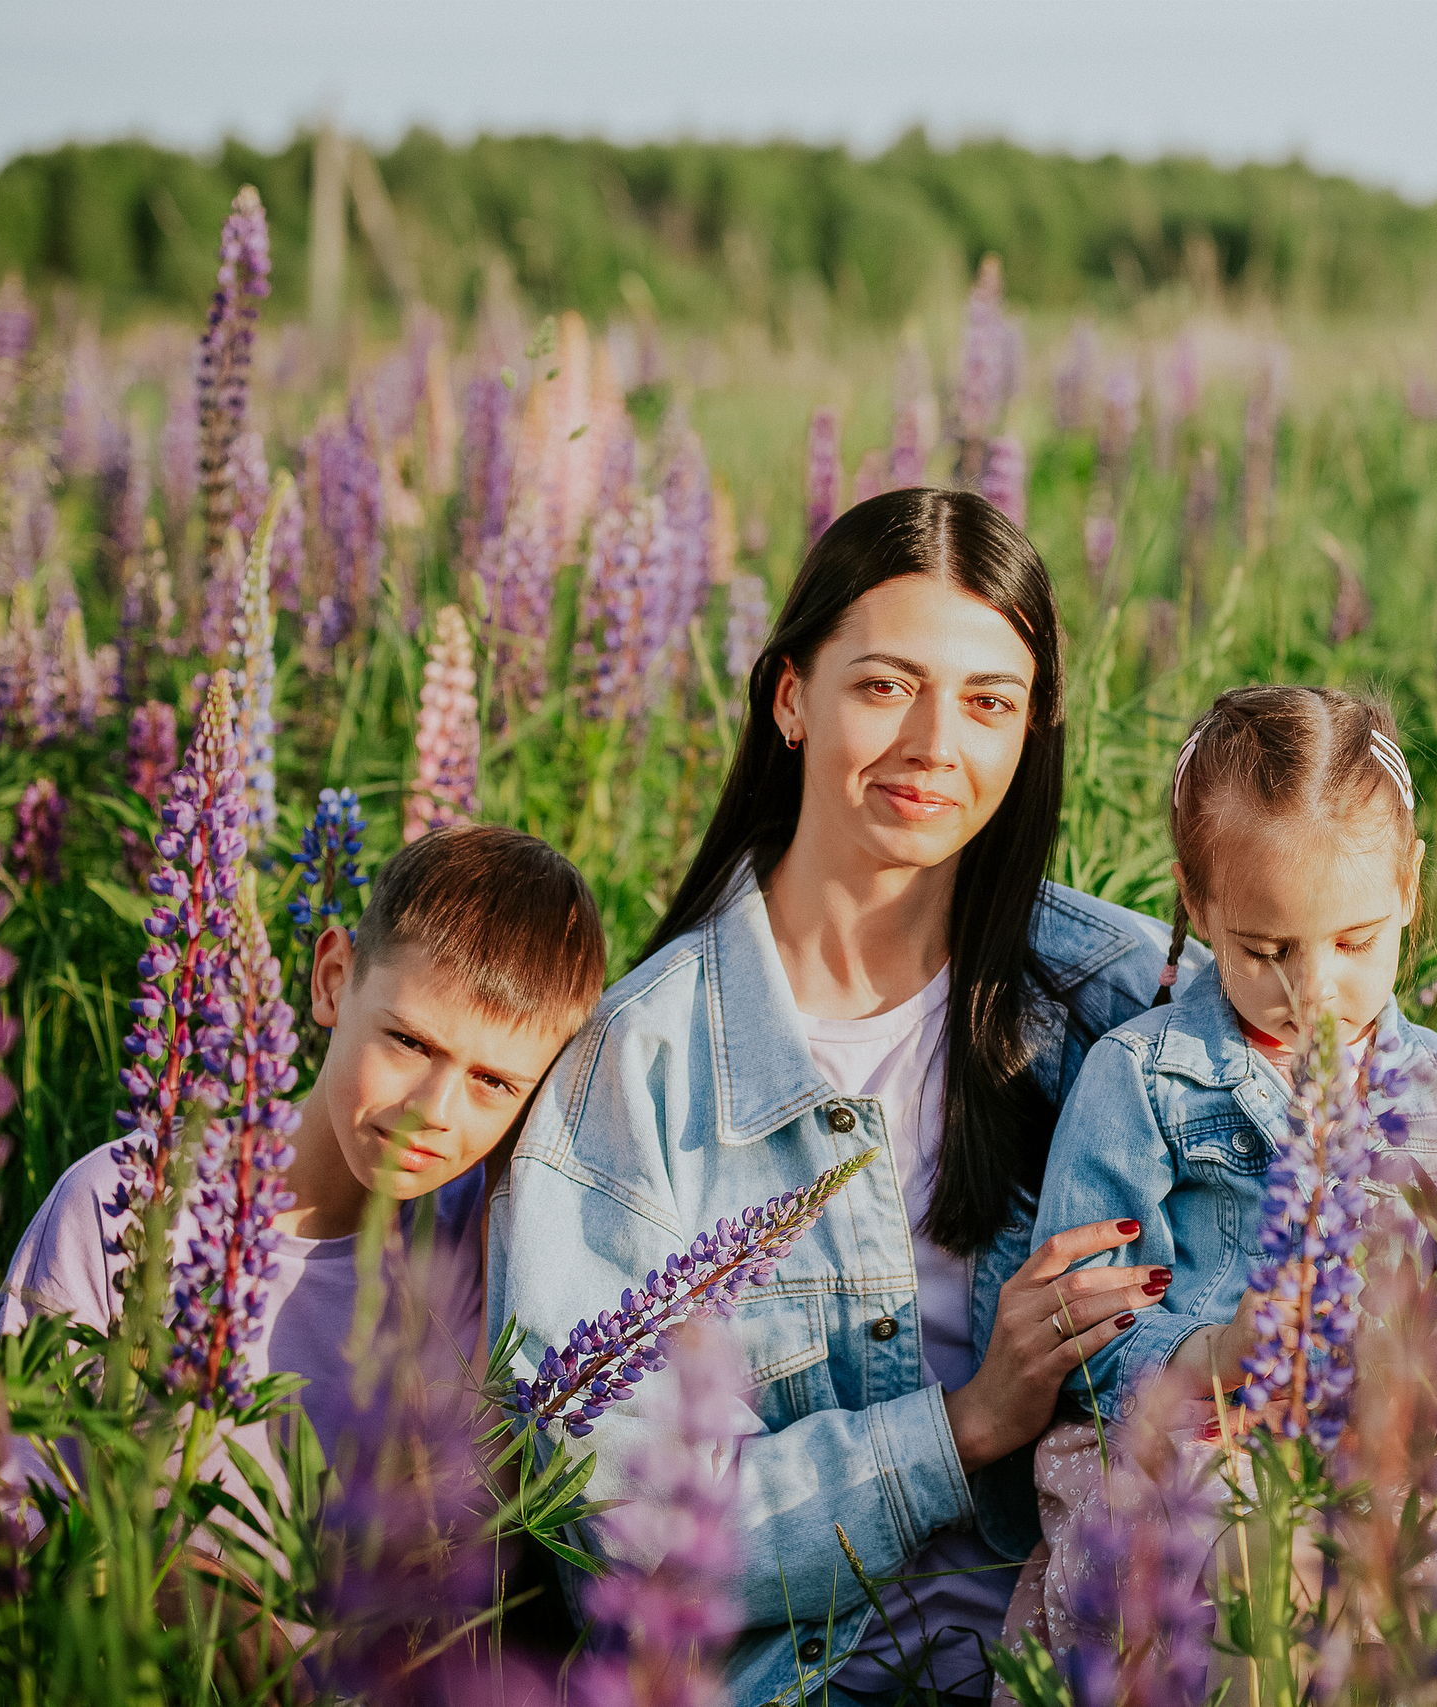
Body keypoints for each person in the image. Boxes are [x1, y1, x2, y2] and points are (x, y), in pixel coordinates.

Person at [490, 488, 1191, 1707]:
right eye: (884, 685)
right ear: (789, 698)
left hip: (1077, 1652)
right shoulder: (642, 1065)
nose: (934, 743)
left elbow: (1361, 1136)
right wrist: (962, 1426)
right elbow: (614, 1522)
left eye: (988, 702)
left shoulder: (1125, 996)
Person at [997, 685, 1437, 1660]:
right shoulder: (1144, 1077)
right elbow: (1080, 1335)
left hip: (1379, 1455)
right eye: (1266, 951)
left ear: (1408, 888)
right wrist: (1217, 1350)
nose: (1314, 990)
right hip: (1188, 1450)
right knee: (1259, 1562)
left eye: (1354, 943)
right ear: (1197, 903)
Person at [0, 823, 609, 1502]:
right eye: (409, 1042)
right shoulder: (127, 1203)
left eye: (493, 1082)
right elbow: (15, 1511)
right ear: (332, 980)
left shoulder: (490, 1255)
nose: (433, 1109)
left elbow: (472, 1535)